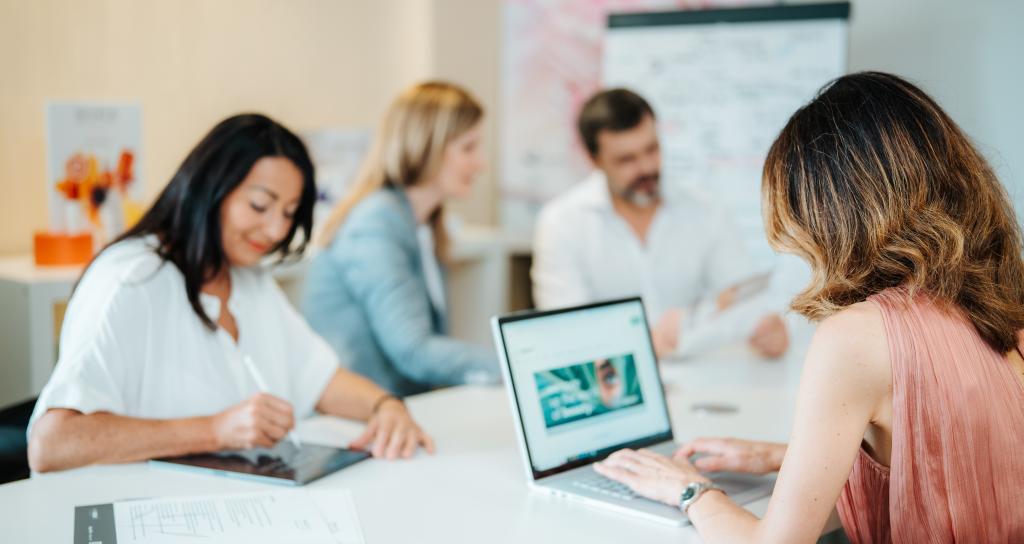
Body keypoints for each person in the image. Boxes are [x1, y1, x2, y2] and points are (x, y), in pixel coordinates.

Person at [594, 72, 1024, 544]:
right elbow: (954, 468)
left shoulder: (858, 337)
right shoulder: (1004, 304)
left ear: (829, 216)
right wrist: (782, 457)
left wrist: (688, 490)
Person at [27, 114, 433, 472]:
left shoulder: (249, 280)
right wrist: (214, 430)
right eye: (260, 206)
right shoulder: (131, 280)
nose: (276, 230)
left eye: (289, 214)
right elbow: (51, 444)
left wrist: (386, 407)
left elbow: (321, 380)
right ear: (210, 189)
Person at [532, 88, 788, 359]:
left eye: (651, 149)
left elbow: (743, 299)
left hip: (700, 383)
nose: (645, 168)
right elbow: (566, 332)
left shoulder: (705, 210)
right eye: (626, 160)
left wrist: (768, 328)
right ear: (594, 160)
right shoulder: (561, 223)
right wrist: (640, 342)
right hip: (616, 384)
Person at [303, 82, 499, 397]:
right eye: (468, 148)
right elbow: (413, 350)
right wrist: (514, 365)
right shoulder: (376, 223)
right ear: (427, 147)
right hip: (360, 418)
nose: (481, 163)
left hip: (401, 411)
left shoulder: (425, 224)